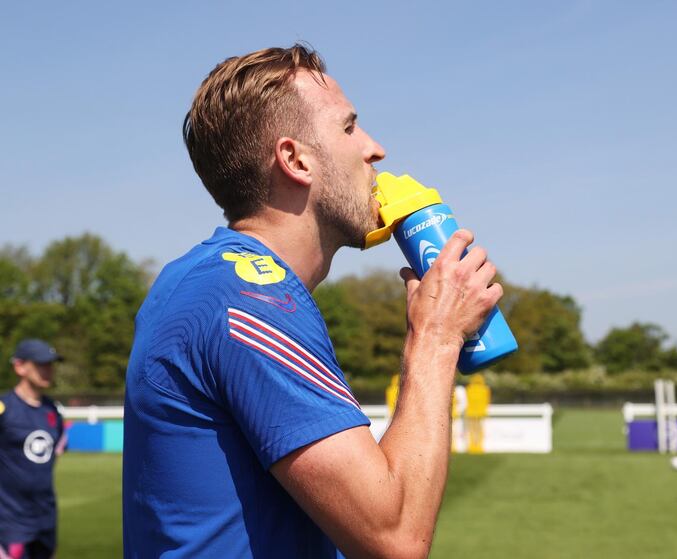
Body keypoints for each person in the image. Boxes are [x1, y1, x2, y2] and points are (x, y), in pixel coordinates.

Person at [122, 45, 502, 558]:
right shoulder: (249, 298)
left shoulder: (196, 278)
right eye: (349, 128)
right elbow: (394, 538)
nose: (375, 149)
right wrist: (436, 336)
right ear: (295, 159)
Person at [0, 339, 67, 559]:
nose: (48, 370)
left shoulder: (52, 410)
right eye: (41, 364)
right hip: (10, 524)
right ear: (19, 366)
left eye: (50, 364)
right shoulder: (4, 408)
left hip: (46, 520)